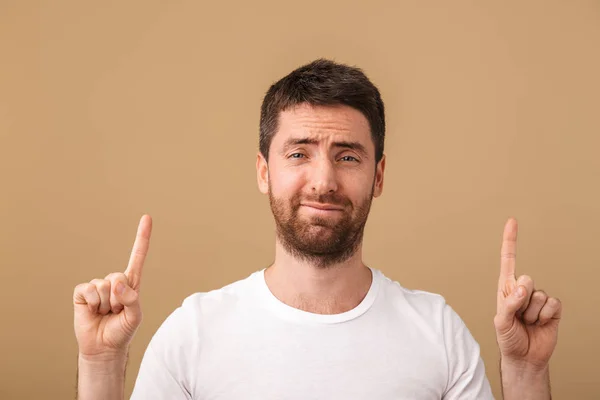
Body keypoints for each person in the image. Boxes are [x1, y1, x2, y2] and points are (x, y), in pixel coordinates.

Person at [73, 59, 562, 400]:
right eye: (298, 154)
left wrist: (525, 372)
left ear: (379, 175)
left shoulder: (437, 331)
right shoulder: (193, 332)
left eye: (347, 156)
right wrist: (100, 365)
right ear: (264, 171)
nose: (324, 180)